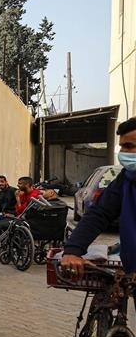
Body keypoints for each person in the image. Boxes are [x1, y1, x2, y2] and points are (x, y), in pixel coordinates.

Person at [61, 117, 136, 276]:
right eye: (122, 147)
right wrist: (73, 249)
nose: (123, 153)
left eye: (129, 146)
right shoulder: (126, 179)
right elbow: (99, 213)